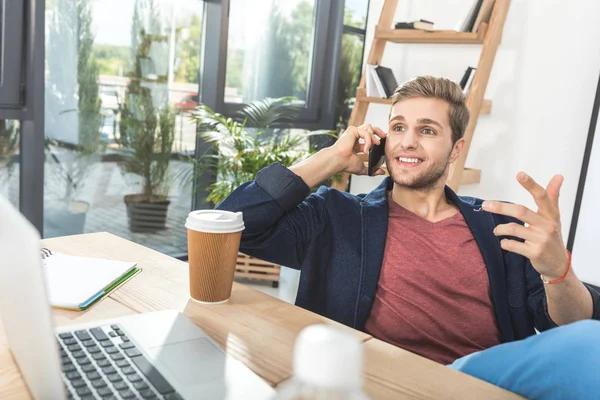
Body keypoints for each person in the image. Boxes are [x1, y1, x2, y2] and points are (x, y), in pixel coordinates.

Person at [216, 76, 600, 398]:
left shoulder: (495, 223)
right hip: (372, 384)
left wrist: (557, 270)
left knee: (589, 346)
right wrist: (331, 159)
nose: (408, 141)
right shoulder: (337, 215)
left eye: (427, 130)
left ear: (456, 150)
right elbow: (233, 224)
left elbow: (570, 325)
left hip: (472, 384)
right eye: (398, 127)